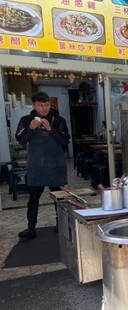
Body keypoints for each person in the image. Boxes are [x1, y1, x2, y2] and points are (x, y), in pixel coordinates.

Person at [15, 92, 70, 240]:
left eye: (46, 105)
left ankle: (62, 225)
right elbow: (20, 139)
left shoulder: (58, 119)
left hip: (55, 166)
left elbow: (65, 140)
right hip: (36, 166)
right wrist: (30, 128)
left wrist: (51, 129)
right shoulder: (26, 120)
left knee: (60, 199)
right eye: (40, 105)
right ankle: (31, 228)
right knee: (33, 199)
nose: (44, 108)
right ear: (34, 105)